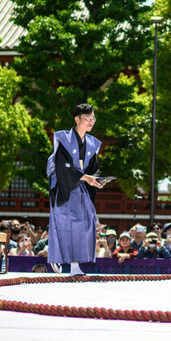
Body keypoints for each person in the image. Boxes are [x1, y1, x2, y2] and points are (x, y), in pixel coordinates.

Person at [46, 103, 105, 276]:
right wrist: (87, 177)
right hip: (64, 187)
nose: (91, 122)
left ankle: (75, 264)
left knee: (86, 222)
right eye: (87, 119)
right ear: (77, 119)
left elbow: (93, 168)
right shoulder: (63, 138)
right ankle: (62, 260)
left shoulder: (93, 143)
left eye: (93, 118)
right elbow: (62, 166)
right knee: (65, 225)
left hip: (81, 189)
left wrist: (96, 180)